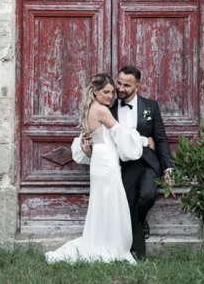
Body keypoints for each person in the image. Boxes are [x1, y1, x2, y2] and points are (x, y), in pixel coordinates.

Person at [73, 65, 173, 261]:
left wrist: (168, 168)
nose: (120, 89)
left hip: (146, 162)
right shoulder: (107, 105)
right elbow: (93, 133)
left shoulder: (150, 106)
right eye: (118, 83)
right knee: (126, 204)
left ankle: (140, 222)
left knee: (147, 195)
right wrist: (86, 148)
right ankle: (137, 252)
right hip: (120, 164)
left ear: (138, 86)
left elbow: (160, 139)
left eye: (126, 85)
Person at [45, 73, 144, 264]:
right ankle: (109, 246)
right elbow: (121, 135)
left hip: (101, 159)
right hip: (106, 161)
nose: (110, 96)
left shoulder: (92, 108)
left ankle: (103, 240)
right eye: (106, 92)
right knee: (110, 203)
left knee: (105, 203)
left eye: (112, 92)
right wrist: (142, 142)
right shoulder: (102, 111)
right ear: (96, 92)